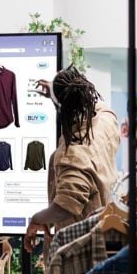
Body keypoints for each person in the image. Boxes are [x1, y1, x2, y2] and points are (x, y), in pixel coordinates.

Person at [23, 65, 120, 253]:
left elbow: (65, 207)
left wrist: (36, 219)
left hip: (79, 249)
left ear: (62, 110)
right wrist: (56, 92)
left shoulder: (74, 154)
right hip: (106, 235)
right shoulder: (107, 120)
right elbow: (100, 105)